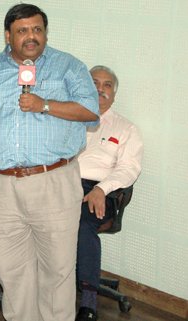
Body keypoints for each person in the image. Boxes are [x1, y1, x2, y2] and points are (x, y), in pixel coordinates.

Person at [0, 3, 99, 321]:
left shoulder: (68, 67)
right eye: (22, 31)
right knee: (10, 269)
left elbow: (90, 111)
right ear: (8, 36)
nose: (31, 36)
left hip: (53, 181)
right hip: (3, 184)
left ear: (45, 33)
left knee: (56, 271)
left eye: (37, 29)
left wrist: (45, 105)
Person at [75, 66, 143, 321]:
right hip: (63, 184)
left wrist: (101, 189)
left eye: (107, 85)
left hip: (100, 191)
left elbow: (129, 169)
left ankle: (88, 302)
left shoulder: (126, 128)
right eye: (94, 83)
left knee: (82, 225)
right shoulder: (70, 118)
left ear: (114, 94)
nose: (100, 89)